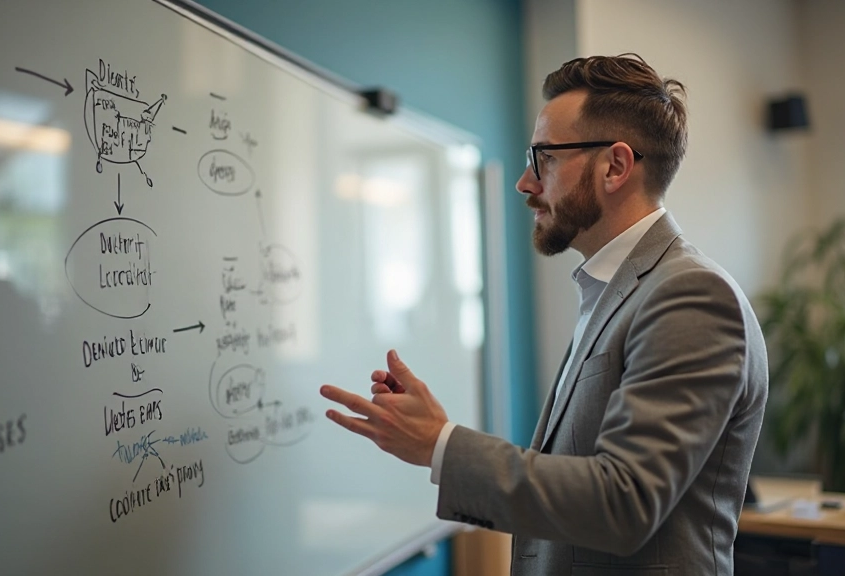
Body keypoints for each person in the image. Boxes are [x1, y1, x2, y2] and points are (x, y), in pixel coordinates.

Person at [320, 53, 768, 576]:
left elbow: (622, 504)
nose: (525, 183)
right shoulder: (616, 289)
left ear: (616, 166)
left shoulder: (690, 294)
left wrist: (440, 443)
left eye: (544, 159)